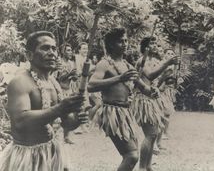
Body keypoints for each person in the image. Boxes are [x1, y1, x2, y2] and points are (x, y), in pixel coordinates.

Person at [0, 31, 88, 171]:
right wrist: (60, 108)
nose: (52, 53)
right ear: (29, 55)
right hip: (26, 157)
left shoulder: (53, 82)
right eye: (45, 48)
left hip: (52, 151)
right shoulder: (20, 82)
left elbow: (66, 123)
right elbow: (20, 121)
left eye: (54, 48)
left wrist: (77, 119)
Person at [88, 28, 157, 171]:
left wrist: (153, 91)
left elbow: (144, 89)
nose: (125, 43)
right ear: (112, 44)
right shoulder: (104, 63)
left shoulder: (127, 65)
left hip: (125, 113)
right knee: (131, 155)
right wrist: (119, 78)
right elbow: (91, 85)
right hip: (111, 113)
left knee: (131, 155)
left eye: (126, 40)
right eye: (121, 41)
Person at [133, 37, 178, 171]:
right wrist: (167, 63)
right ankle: (142, 167)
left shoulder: (155, 61)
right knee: (151, 134)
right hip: (143, 99)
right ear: (145, 47)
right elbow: (150, 76)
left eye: (155, 43)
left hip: (153, 100)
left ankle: (148, 166)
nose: (154, 46)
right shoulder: (142, 60)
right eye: (151, 43)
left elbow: (155, 83)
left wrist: (165, 76)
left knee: (154, 133)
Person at [57, 43, 79, 144]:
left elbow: (73, 78)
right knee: (59, 113)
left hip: (68, 90)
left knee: (68, 113)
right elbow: (59, 78)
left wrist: (74, 77)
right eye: (68, 50)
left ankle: (66, 136)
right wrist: (70, 74)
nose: (70, 52)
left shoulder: (71, 63)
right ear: (63, 52)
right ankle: (55, 136)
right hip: (60, 90)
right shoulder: (59, 63)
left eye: (71, 50)